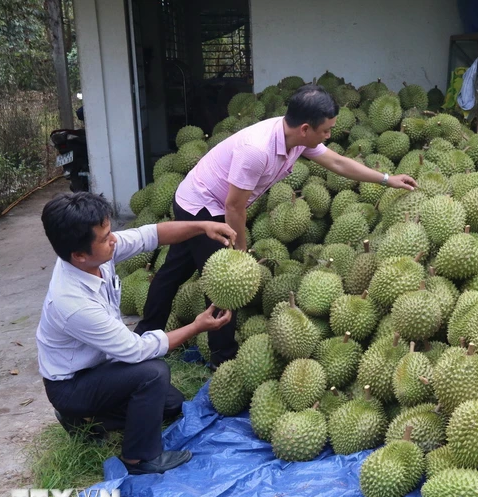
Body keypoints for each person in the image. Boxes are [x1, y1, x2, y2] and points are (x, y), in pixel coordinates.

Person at [135, 84, 417, 367]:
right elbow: (234, 207)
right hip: (204, 205)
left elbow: (337, 163)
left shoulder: (294, 137)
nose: (330, 135)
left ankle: (146, 334)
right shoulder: (257, 150)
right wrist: (240, 253)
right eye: (326, 130)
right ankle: (222, 359)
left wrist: (386, 179)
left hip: (208, 199)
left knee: (175, 268)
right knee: (225, 284)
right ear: (306, 128)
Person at [36, 192, 237, 475]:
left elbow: (149, 235)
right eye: (105, 238)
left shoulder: (91, 255)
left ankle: (88, 419)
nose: (114, 240)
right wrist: (197, 326)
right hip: (71, 385)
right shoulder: (71, 302)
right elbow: (137, 350)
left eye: (110, 232)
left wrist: (202, 226)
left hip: (99, 367)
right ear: (79, 255)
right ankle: (139, 458)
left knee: (171, 404)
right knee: (152, 373)